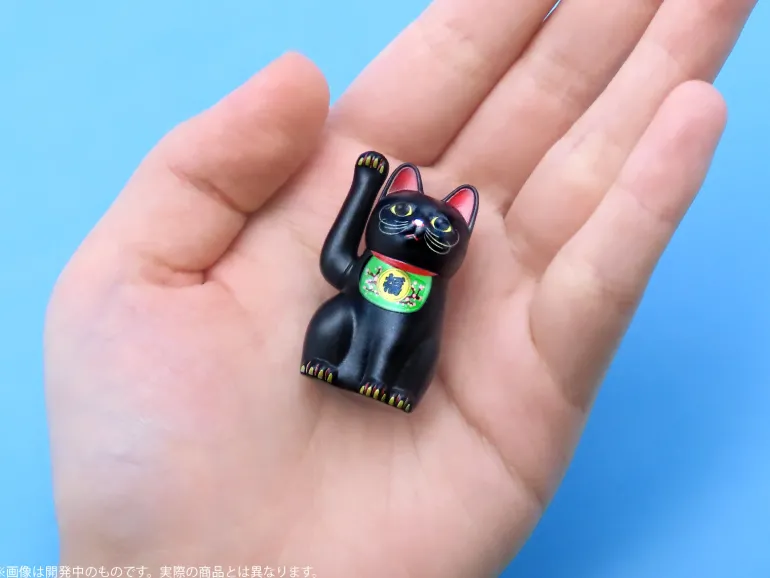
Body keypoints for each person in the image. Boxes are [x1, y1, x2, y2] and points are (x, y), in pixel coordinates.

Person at [43, 0, 757, 576]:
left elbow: (415, 330)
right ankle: (330, 363)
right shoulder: (375, 253)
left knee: (407, 346)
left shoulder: (431, 283)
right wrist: (363, 189)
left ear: (463, 233)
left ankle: (388, 386)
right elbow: (337, 262)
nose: (419, 224)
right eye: (406, 211)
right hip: (345, 330)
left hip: (401, 357)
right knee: (339, 319)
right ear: (390, 205)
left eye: (439, 225)